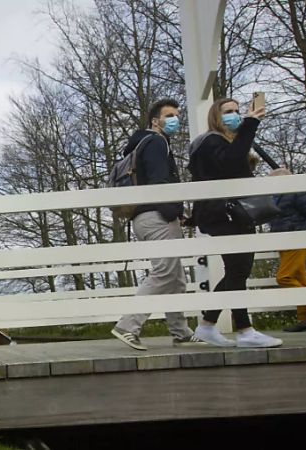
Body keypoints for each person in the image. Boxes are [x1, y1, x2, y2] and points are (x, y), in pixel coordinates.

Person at [187, 97, 282, 348]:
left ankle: (207, 325)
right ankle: (244, 329)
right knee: (239, 268)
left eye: (237, 111)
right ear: (215, 117)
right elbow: (230, 164)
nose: (235, 114)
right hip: (224, 213)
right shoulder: (211, 141)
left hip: (227, 212)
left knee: (236, 270)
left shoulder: (222, 142)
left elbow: (236, 172)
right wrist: (250, 123)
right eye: (228, 111)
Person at [110, 98, 204, 351]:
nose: (175, 119)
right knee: (164, 272)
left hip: (145, 217)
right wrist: (173, 210)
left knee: (175, 277)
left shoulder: (140, 144)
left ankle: (180, 331)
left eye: (177, 115)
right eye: (169, 115)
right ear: (155, 120)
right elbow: (159, 181)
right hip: (157, 217)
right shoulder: (155, 142)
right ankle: (127, 325)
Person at [266, 168, 306, 332]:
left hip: (295, 240)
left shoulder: (298, 191)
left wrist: (301, 235)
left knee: (284, 277)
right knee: (300, 277)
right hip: (284, 241)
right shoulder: (278, 196)